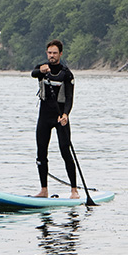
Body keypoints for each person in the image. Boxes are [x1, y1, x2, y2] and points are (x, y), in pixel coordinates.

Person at [30, 39, 78, 199]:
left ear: (60, 54)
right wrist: (41, 71)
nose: (52, 56)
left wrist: (66, 115)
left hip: (60, 117)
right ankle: (44, 190)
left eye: (55, 53)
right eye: (49, 53)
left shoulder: (66, 73)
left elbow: (70, 97)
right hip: (44, 116)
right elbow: (33, 74)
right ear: (47, 53)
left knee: (65, 151)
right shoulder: (41, 69)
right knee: (41, 153)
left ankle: (74, 190)